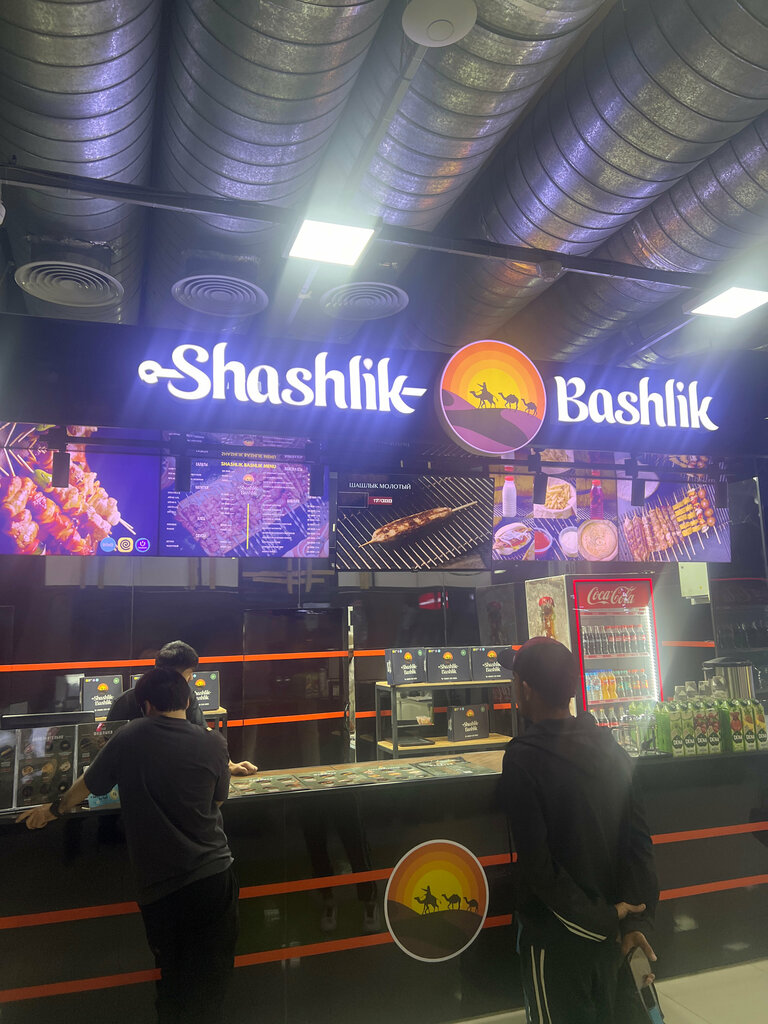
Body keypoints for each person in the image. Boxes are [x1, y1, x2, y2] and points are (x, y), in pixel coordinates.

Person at [18, 668, 239, 1024]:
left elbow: (88, 785)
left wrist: (53, 810)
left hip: (163, 886)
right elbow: (218, 801)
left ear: (145, 705)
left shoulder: (130, 736)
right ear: (187, 701)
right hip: (215, 875)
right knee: (213, 974)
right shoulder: (213, 741)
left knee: (173, 980)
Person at [498, 638, 659, 1024]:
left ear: (525, 689)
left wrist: (599, 919)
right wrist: (631, 920)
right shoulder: (612, 748)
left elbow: (539, 868)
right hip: (614, 937)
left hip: (556, 941)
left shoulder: (522, 759)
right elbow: (639, 842)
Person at [109, 640, 257, 776]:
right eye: (188, 674)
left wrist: (229, 765)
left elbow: (204, 734)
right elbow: (106, 750)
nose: (191, 678)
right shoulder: (124, 703)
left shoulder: (189, 696)